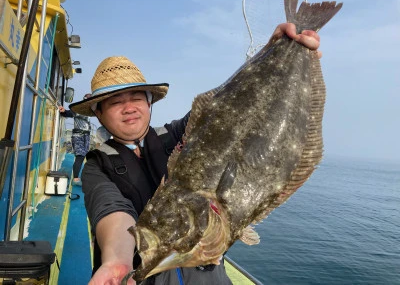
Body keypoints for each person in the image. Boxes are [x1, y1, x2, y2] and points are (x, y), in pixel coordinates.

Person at [69, 23, 321, 285]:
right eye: (116, 102)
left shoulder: (178, 134)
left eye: (136, 98)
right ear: (98, 113)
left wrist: (274, 51)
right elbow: (113, 213)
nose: (129, 108)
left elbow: (228, 109)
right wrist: (116, 259)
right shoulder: (97, 166)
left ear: (149, 102)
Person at [59, 93, 92, 186]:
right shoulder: (79, 109)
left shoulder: (90, 110)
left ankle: (78, 178)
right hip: (79, 135)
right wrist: (63, 111)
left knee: (83, 156)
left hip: (86, 136)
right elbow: (69, 113)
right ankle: (76, 180)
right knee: (80, 156)